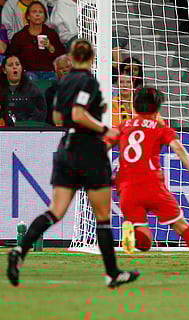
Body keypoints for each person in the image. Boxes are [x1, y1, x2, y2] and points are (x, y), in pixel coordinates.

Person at [6, 39, 141, 288]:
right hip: (88, 150)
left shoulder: (64, 82)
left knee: (55, 211)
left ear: (71, 57)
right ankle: (112, 273)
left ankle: (19, 251)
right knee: (102, 217)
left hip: (65, 147)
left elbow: (58, 116)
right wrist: (103, 128)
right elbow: (79, 114)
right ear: (91, 58)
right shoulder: (87, 82)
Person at [104, 87, 189, 275]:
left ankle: (131, 226)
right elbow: (178, 149)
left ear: (134, 107)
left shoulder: (122, 127)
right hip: (153, 187)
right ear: (157, 108)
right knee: (181, 226)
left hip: (127, 189)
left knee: (144, 243)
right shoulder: (161, 128)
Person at [8, 1, 65, 80]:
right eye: (34, 12)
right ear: (28, 16)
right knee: (30, 79)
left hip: (49, 72)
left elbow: (62, 56)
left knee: (54, 81)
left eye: (40, 12)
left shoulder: (51, 34)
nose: (37, 15)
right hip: (28, 72)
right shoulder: (19, 36)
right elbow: (12, 57)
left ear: (44, 17)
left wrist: (50, 47)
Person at [0, 54, 47, 124]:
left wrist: (26, 125)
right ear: (4, 70)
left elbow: (40, 113)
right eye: (10, 65)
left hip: (28, 130)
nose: (14, 67)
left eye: (17, 64)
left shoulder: (33, 89)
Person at [45, 54, 72, 126]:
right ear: (56, 73)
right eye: (61, 68)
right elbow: (49, 118)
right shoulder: (50, 92)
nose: (65, 70)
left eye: (67, 67)